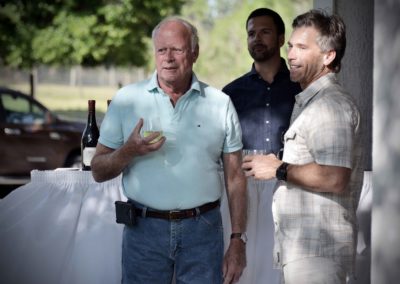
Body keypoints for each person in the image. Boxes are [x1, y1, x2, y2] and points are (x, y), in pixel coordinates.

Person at [91, 17, 247, 284]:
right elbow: (98, 170)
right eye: (162, 50)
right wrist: (128, 151)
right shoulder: (127, 100)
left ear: (194, 53)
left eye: (177, 49)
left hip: (204, 231)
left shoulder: (220, 104)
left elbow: (235, 178)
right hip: (143, 230)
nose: (169, 58)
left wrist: (237, 239)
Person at [242, 9, 364, 284]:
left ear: (328, 55)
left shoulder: (330, 105)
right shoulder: (310, 102)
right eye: (290, 47)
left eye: (302, 47)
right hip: (303, 251)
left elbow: (335, 177)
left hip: (319, 253)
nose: (291, 55)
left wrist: (278, 169)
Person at [222, 8, 301, 284]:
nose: (257, 38)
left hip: (288, 186)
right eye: (251, 33)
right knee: (243, 270)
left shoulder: (301, 89)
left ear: (281, 39)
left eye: (265, 32)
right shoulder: (231, 93)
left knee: (281, 269)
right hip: (242, 190)